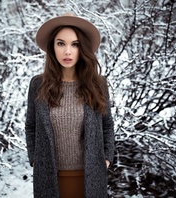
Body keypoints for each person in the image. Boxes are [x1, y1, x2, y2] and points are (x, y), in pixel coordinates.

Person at [25, 12, 115, 198]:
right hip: (50, 177)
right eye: (61, 43)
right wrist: (35, 158)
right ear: (52, 47)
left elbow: (107, 125)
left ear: (83, 48)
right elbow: (31, 125)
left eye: (75, 44)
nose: (68, 51)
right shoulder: (37, 85)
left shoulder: (98, 85)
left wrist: (106, 157)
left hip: (90, 177)